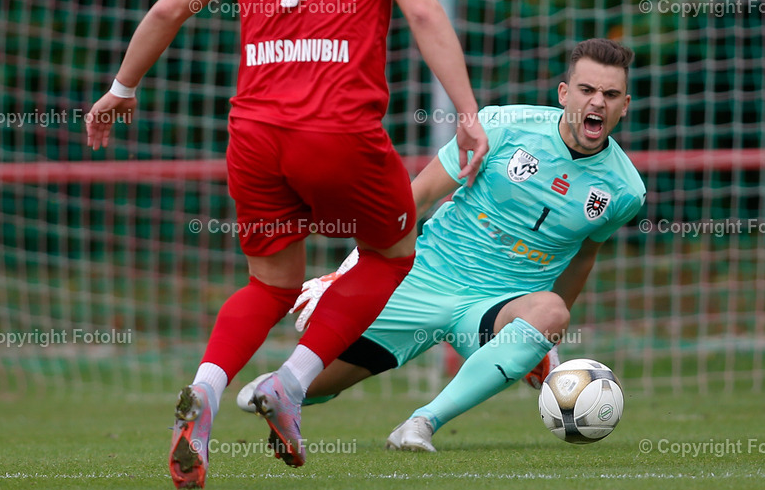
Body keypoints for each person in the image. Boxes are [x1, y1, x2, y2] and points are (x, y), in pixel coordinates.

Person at [84, 0, 488, 488]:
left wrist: (122, 87)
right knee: (393, 251)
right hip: (338, 132)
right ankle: (293, 382)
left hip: (254, 136)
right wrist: (468, 111)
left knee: (270, 283)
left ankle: (207, 391)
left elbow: (168, 9)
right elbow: (421, 9)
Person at [238, 38, 645, 451]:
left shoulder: (625, 190)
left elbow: (583, 259)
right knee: (316, 387)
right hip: (423, 279)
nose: (597, 103)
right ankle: (281, 386)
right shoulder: (503, 126)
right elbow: (414, 199)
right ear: (564, 93)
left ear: (624, 105)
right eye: (587, 90)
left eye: (610, 95)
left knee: (551, 311)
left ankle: (421, 423)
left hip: (496, 307)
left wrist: (543, 337)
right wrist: (346, 272)